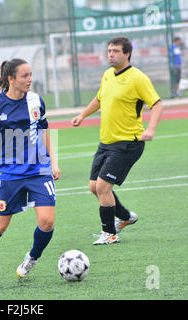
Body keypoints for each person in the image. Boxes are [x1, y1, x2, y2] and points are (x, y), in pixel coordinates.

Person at [0, 59, 61, 286]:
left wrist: (54, 163)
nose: (29, 79)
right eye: (24, 76)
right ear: (11, 79)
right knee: (0, 225)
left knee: (47, 222)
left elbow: (45, 132)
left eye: (30, 75)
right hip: (11, 175)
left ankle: (31, 258)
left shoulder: (36, 101)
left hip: (39, 170)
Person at [70, 37, 163, 245]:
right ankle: (125, 216)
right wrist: (83, 115)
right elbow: (99, 98)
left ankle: (109, 234)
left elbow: (157, 104)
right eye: (109, 50)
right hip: (106, 142)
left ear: (127, 54)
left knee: (103, 187)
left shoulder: (138, 78)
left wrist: (151, 129)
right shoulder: (107, 75)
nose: (110, 54)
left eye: (115, 51)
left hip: (127, 143)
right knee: (94, 187)